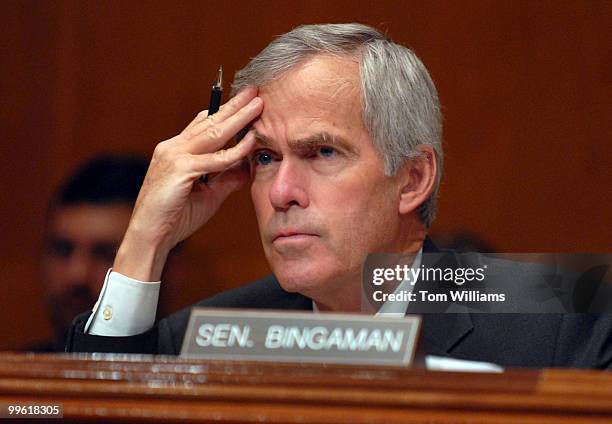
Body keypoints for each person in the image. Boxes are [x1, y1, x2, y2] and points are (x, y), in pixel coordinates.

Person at [67, 24, 611, 368]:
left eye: (322, 153)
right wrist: (143, 241)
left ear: (413, 179)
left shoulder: (567, 318)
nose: (281, 192)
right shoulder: (204, 336)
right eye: (265, 158)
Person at [27, 154, 184, 352]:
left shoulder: (200, 379)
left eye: (107, 254)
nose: (77, 275)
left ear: (172, 266)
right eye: (62, 250)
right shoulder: (13, 376)